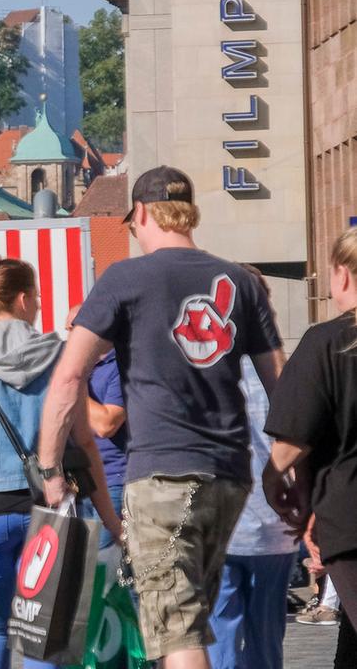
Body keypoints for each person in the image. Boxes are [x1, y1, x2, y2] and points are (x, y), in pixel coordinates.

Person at [41, 166, 282, 669]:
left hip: (163, 475)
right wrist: (288, 472)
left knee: (176, 634)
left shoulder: (125, 278)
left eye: (131, 221)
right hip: (230, 475)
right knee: (191, 619)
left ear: (144, 212)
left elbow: (67, 379)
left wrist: (49, 469)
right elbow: (281, 387)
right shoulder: (239, 280)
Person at [0, 255, 118, 669]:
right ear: (21, 299)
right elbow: (85, 446)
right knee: (43, 637)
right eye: (35, 295)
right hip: (51, 508)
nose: (36, 302)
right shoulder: (61, 360)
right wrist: (110, 520)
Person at [265, 226, 357, 633]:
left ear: (342, 275)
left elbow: (292, 441)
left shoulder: (327, 342)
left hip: (349, 516)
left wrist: (273, 481)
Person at [204, 268, 296, 669]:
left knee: (220, 639)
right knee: (267, 641)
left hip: (220, 521)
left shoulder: (206, 370)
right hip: (277, 524)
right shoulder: (287, 372)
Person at [66, 304, 127, 551]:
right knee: (82, 573)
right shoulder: (83, 369)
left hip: (112, 482)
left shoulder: (119, 366)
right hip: (77, 485)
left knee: (102, 572)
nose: (68, 336)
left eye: (72, 328)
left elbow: (106, 424)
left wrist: (73, 385)